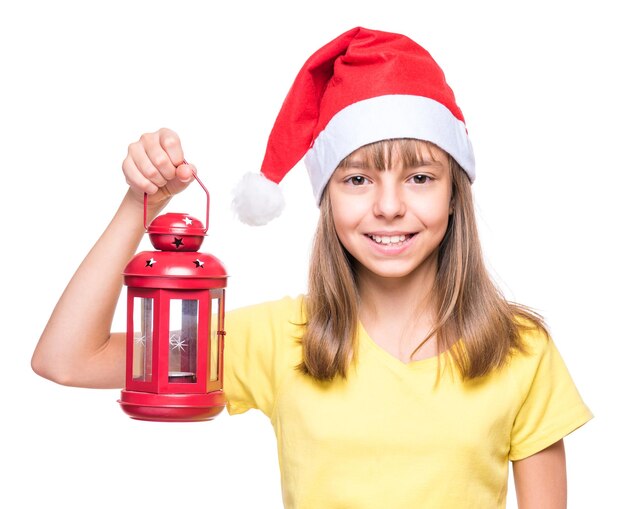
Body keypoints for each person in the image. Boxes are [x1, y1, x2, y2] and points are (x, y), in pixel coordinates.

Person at [31, 26, 592, 508]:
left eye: (420, 177)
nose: (389, 205)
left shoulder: (520, 347)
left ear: (453, 194)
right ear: (326, 198)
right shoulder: (282, 339)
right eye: (357, 179)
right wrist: (141, 205)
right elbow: (67, 359)